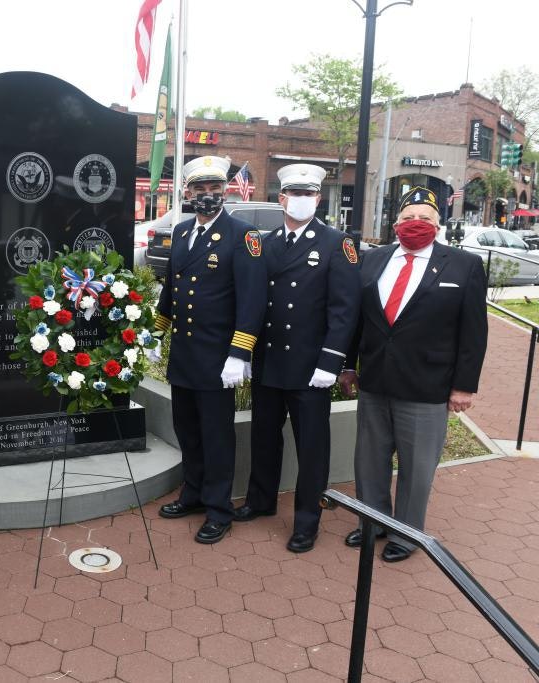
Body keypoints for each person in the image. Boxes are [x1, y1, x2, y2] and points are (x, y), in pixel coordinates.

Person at [339, 186, 487, 562]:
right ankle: (372, 522)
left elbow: (473, 332)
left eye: (425, 219)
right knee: (369, 461)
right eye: (408, 218)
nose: (415, 224)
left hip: (427, 386)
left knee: (416, 467)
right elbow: (359, 320)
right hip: (375, 381)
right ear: (395, 224)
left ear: (439, 225)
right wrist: (349, 364)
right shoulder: (373, 261)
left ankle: (406, 534)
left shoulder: (463, 266)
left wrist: (464, 386)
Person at [234, 164, 361, 553]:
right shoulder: (266, 242)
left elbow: (345, 311)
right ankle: (261, 500)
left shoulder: (337, 244)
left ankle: (308, 520)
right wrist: (246, 352)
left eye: (309, 194)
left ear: (319, 199)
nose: (302, 200)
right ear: (281, 198)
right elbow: (255, 301)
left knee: (312, 447)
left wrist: (331, 362)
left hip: (310, 367)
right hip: (270, 361)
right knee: (264, 436)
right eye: (294, 193)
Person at [154, 156, 268, 544]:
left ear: (225, 191)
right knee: (187, 429)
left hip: (220, 359)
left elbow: (252, 300)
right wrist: (157, 333)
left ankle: (219, 508)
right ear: (187, 193)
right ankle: (193, 494)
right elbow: (172, 289)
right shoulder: (183, 231)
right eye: (199, 189)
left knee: (217, 436)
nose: (207, 196)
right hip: (184, 355)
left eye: (214, 189)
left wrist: (240, 353)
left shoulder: (243, 235)